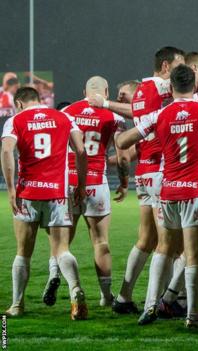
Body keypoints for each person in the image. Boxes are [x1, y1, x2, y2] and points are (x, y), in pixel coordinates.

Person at [117, 64, 198, 329]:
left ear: (171, 88)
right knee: (194, 257)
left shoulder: (160, 114)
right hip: (197, 192)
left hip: (168, 192)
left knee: (164, 247)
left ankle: (149, 306)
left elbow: (123, 141)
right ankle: (192, 316)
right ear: (195, 85)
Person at [1, 87, 88, 319]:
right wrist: (80, 185)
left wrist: (10, 189)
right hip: (58, 193)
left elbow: (7, 151)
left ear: (19, 103)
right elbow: (81, 150)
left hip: (28, 193)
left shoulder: (15, 120)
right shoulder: (65, 117)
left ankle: (17, 305)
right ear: (39, 100)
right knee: (61, 250)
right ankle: (75, 289)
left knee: (23, 252)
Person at [42, 76, 128, 308]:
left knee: (62, 242)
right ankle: (106, 296)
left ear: (84, 91)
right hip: (96, 182)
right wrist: (124, 181)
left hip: (68, 180)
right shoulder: (114, 117)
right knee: (100, 242)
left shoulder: (67, 111)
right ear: (106, 91)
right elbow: (122, 156)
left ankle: (57, 276)